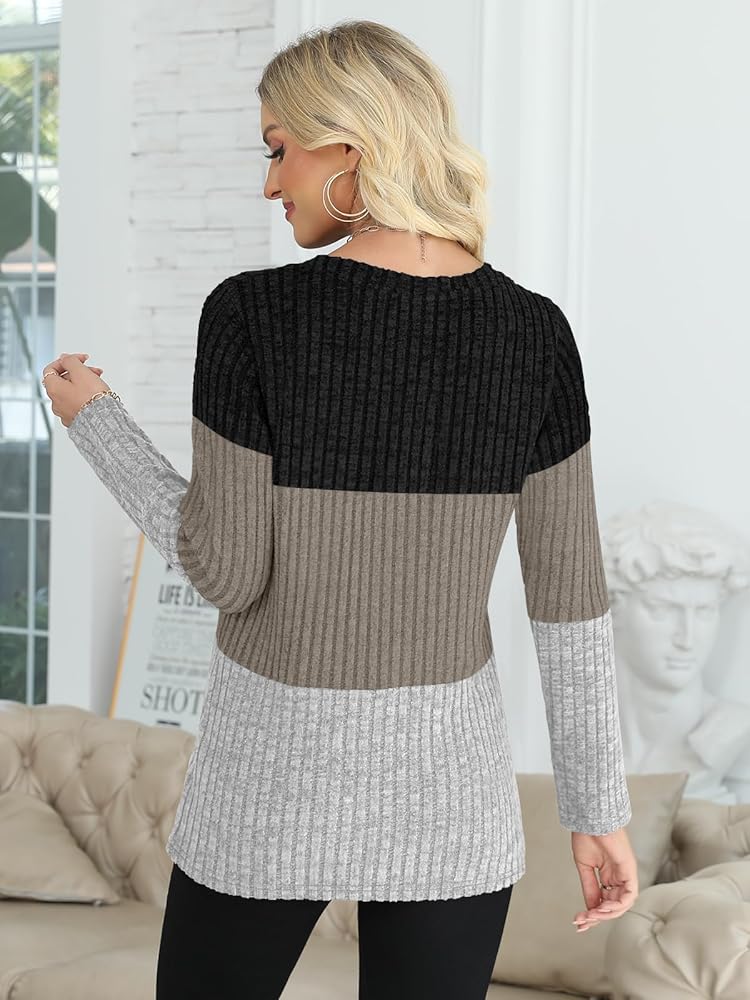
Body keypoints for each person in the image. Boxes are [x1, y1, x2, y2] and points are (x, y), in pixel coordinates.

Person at [42, 18, 638, 1000]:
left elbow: (225, 570)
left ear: (349, 150)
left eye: (278, 151)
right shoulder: (536, 333)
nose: (269, 184)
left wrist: (95, 421)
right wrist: (597, 811)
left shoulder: (253, 316)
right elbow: (569, 601)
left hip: (268, 787)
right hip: (450, 801)